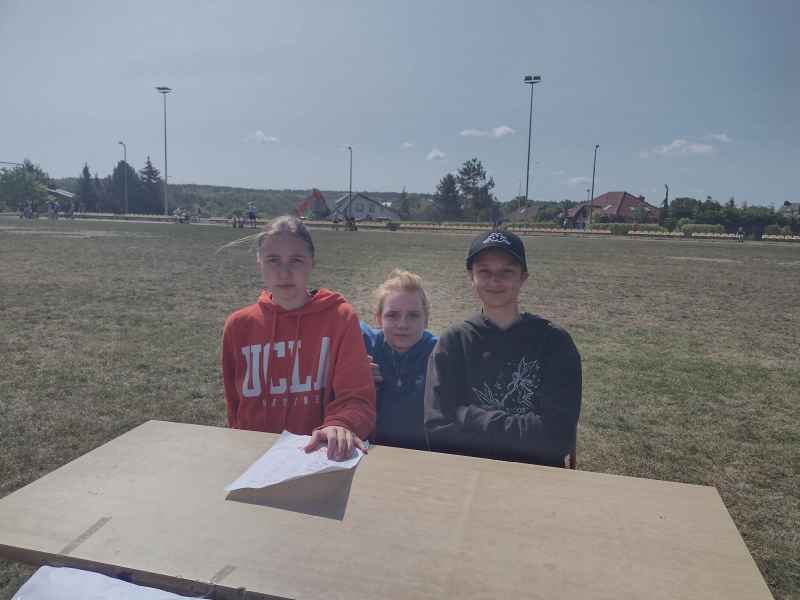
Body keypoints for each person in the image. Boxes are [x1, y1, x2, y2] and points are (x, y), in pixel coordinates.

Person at [221, 215, 376, 460]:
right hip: (253, 458)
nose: (284, 272)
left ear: (312, 262)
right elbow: (234, 405)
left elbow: (357, 398)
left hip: (316, 457)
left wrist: (341, 424)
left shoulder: (339, 318)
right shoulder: (239, 326)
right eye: (273, 260)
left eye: (296, 260)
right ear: (259, 262)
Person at [424, 230, 582, 468]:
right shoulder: (454, 342)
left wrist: (470, 416)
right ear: (471, 276)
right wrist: (526, 434)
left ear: (523, 277)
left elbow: (558, 438)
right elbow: (438, 433)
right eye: (484, 271)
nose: (494, 281)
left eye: (506, 272)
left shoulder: (554, 343)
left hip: (537, 476)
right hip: (468, 475)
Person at [360, 270, 437, 450]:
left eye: (413, 315)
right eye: (392, 315)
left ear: (426, 320)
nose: (403, 325)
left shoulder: (441, 353)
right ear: (378, 318)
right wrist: (348, 372)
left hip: (423, 455)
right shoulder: (362, 344)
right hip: (368, 452)